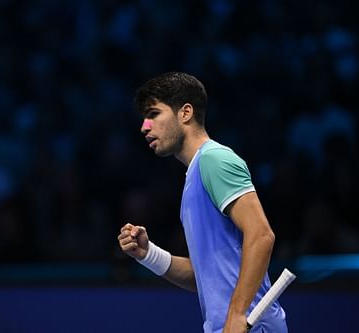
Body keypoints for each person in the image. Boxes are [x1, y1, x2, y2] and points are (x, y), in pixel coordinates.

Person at [117, 72, 288, 333]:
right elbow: (207, 277)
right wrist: (148, 254)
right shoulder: (195, 175)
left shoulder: (215, 160)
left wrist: (237, 314)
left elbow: (262, 234)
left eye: (153, 114)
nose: (144, 127)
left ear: (185, 113)